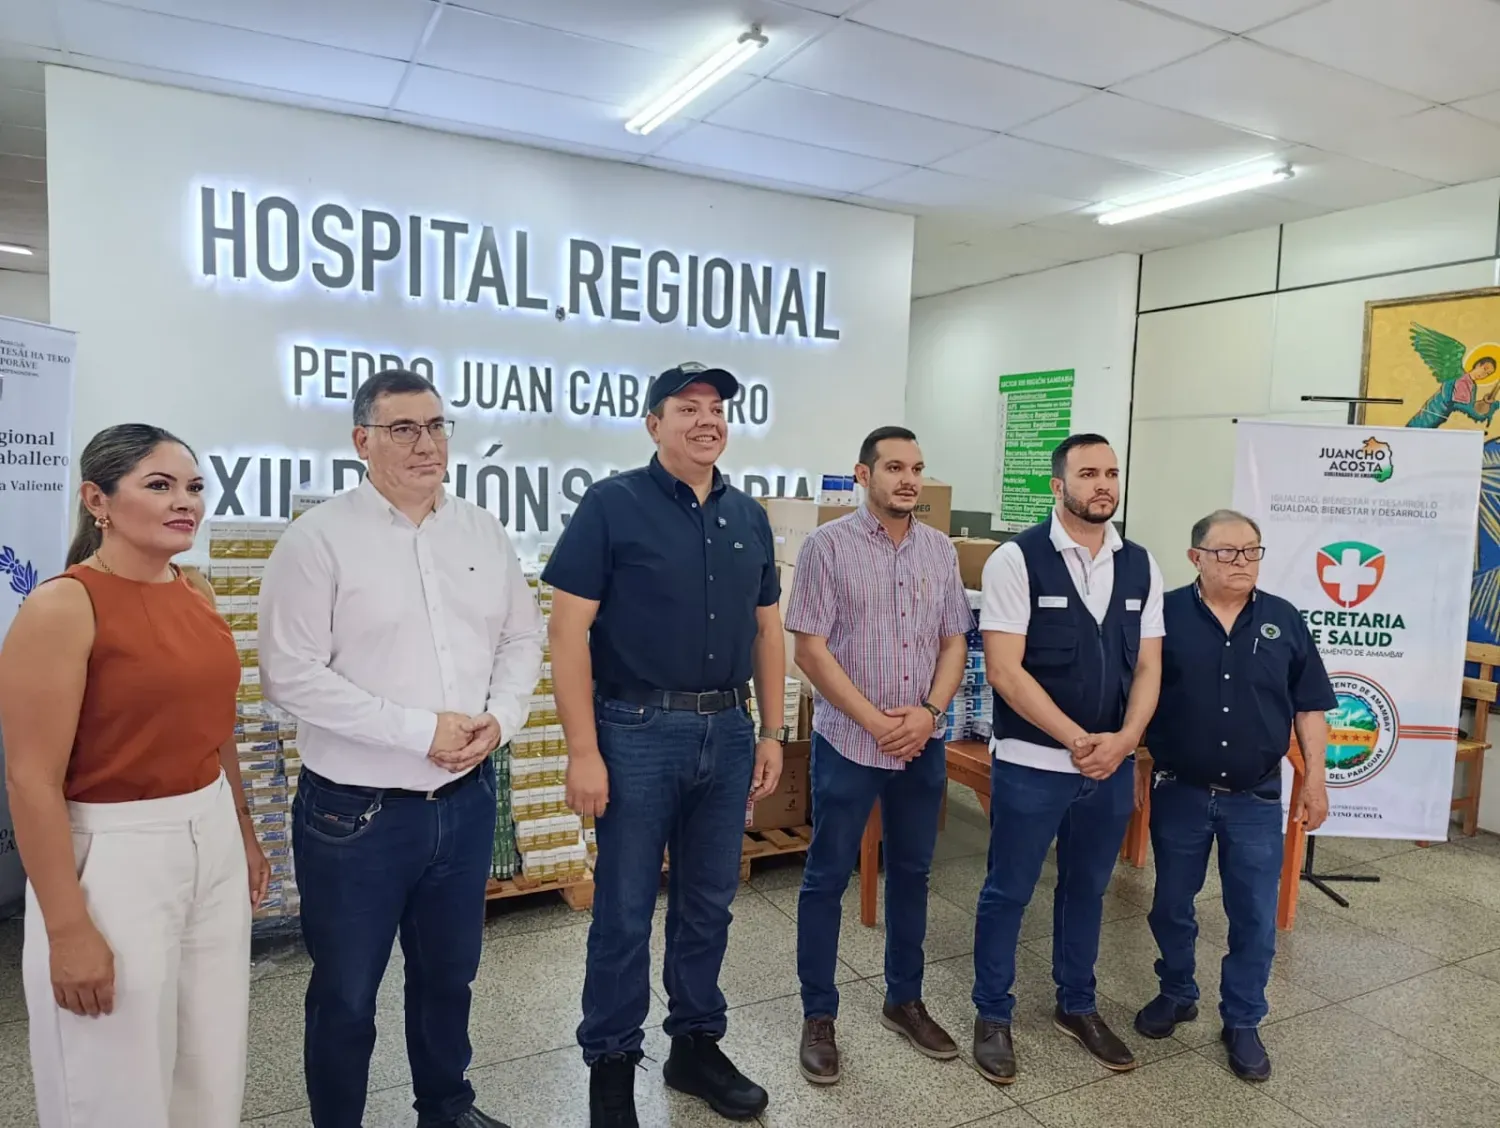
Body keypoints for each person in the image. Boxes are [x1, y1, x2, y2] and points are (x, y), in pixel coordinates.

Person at [259, 369, 544, 1128]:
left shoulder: (480, 530)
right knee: (347, 995)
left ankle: (446, 1110)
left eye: (437, 426)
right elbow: (289, 675)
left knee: (450, 979)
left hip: (465, 801)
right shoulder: (318, 540)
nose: (427, 444)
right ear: (363, 441)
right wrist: (419, 731)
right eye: (404, 429)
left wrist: (501, 717)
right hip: (356, 817)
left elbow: (521, 636)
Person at [0, 423, 269, 1127]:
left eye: (193, 487)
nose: (185, 502)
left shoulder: (196, 592)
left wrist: (243, 831)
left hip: (209, 834)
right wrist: (68, 928)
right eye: (159, 485)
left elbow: (215, 727)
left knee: (210, 1063)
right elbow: (30, 780)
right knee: (113, 1079)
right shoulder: (63, 605)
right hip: (115, 853)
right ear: (98, 501)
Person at [544, 362, 785, 1128]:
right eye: (687, 407)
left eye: (716, 408)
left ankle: (695, 1046)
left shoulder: (748, 516)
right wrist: (583, 750)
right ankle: (611, 1064)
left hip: (729, 730)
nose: (706, 420)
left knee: (709, 904)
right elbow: (567, 632)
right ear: (654, 423)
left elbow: (767, 630)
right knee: (622, 911)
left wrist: (770, 730)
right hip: (635, 732)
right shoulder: (611, 505)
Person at [971, 432, 1164, 1083]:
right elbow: (1005, 670)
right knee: (1008, 890)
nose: (1103, 484)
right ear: (1058, 486)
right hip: (1032, 764)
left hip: (1110, 767)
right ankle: (993, 1014)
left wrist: (1126, 740)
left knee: (1088, 888)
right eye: (1087, 474)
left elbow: (1150, 666)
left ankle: (1076, 1005)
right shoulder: (1016, 560)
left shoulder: (1140, 565)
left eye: (1111, 472)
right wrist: (1078, 739)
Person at [785, 425, 973, 1085]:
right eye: (894, 467)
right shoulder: (827, 546)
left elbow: (954, 641)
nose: (909, 480)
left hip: (922, 743)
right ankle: (819, 1014)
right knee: (826, 877)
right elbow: (810, 650)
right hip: (848, 742)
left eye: (916, 468)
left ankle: (904, 999)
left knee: (913, 873)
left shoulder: (939, 550)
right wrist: (873, 721)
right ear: (864, 475)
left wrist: (929, 715)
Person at [1134, 509, 1333, 1082]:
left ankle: (1243, 1019)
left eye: (1251, 550)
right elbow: (1137, 691)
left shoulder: (1283, 619)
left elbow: (1309, 707)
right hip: (1181, 791)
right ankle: (1177, 991)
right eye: (1226, 552)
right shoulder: (1164, 614)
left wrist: (1315, 778)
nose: (1241, 561)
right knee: (1171, 904)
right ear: (1195, 557)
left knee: (1253, 915)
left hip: (1255, 798)